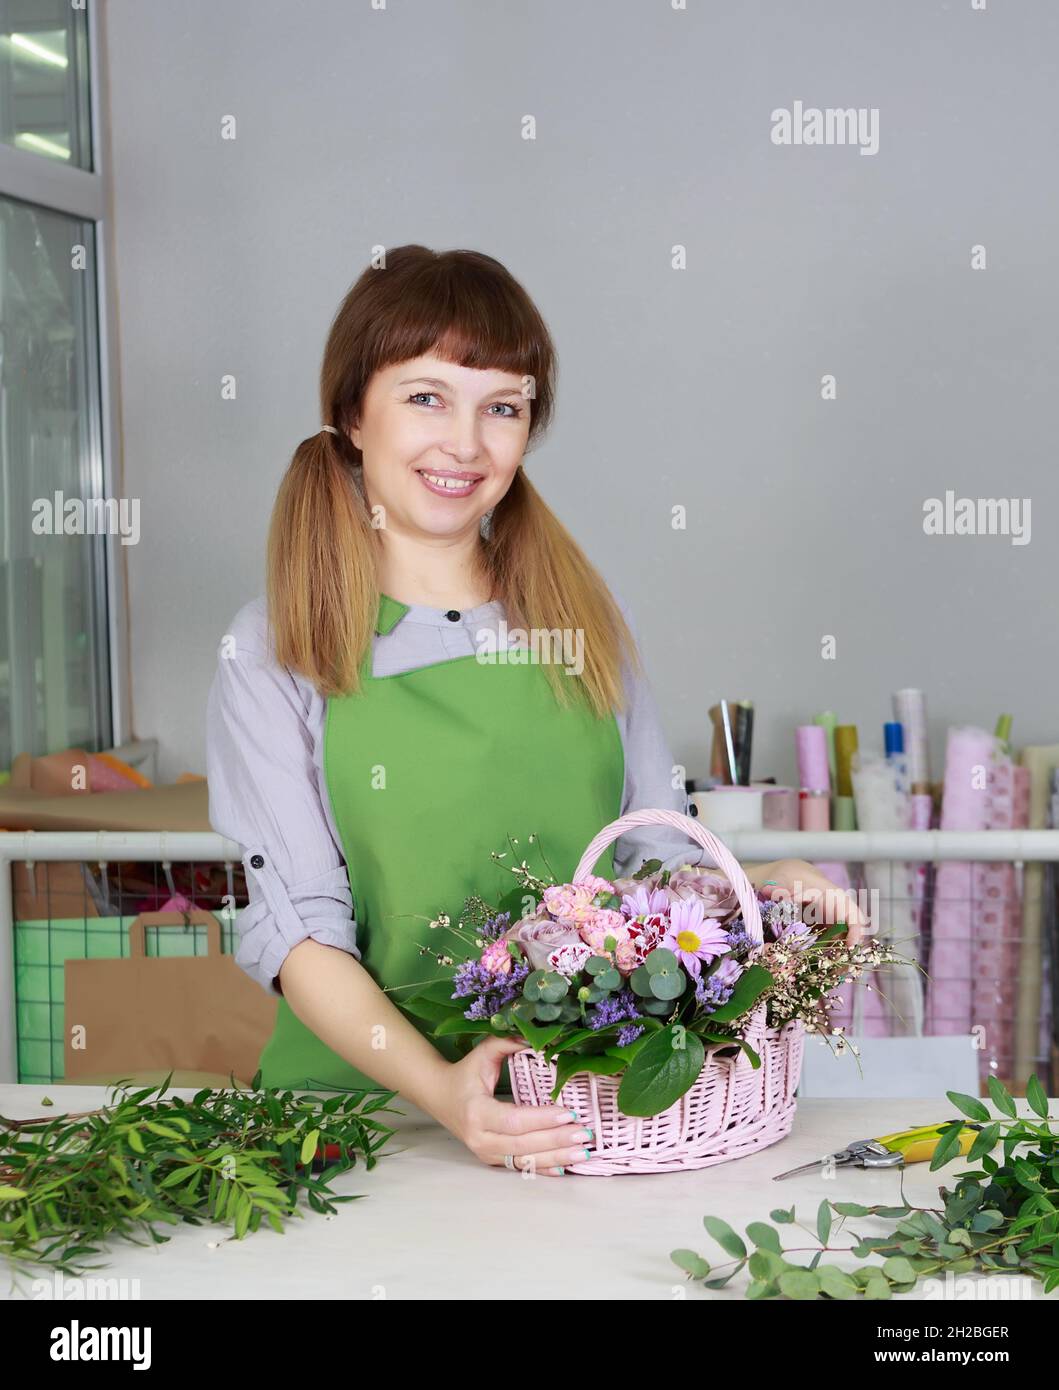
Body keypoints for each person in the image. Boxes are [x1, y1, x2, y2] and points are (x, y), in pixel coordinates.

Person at [206, 244, 864, 1177]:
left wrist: (759, 886)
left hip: (587, 1109)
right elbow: (302, 933)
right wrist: (445, 1094)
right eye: (426, 397)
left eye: (502, 407)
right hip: (360, 1130)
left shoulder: (581, 620)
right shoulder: (276, 647)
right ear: (353, 412)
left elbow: (650, 861)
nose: (466, 445)